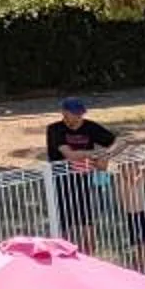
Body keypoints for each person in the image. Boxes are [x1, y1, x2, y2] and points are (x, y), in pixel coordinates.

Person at [45, 98, 117, 238]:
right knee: (64, 220)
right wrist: (95, 154)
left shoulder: (90, 127)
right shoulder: (54, 129)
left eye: (81, 114)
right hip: (61, 180)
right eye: (75, 114)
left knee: (87, 220)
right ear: (64, 113)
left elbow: (119, 141)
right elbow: (69, 154)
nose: (79, 117)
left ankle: (89, 255)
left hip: (84, 178)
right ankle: (65, 253)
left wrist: (107, 156)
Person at [112, 149, 145, 270]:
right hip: (132, 214)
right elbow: (133, 180)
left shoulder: (138, 177)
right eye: (132, 165)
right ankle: (141, 267)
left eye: (136, 165)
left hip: (144, 211)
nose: (136, 167)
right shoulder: (122, 178)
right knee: (139, 244)